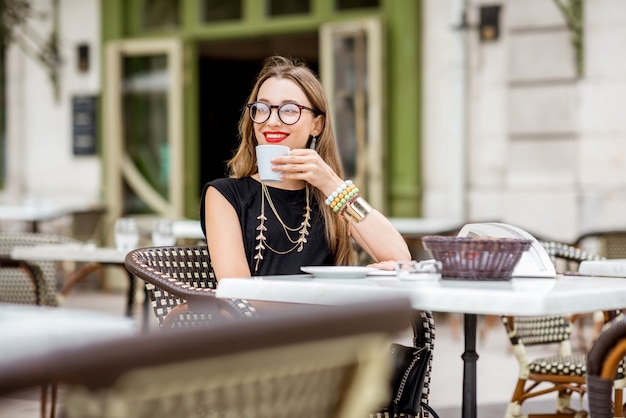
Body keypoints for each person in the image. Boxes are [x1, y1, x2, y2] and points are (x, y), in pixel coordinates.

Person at [200, 55, 410, 280]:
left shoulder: (331, 197)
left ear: (316, 125)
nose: (272, 121)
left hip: (332, 315)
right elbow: (237, 292)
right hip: (267, 316)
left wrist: (331, 183)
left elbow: (400, 259)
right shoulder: (225, 195)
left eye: (289, 110)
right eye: (262, 108)